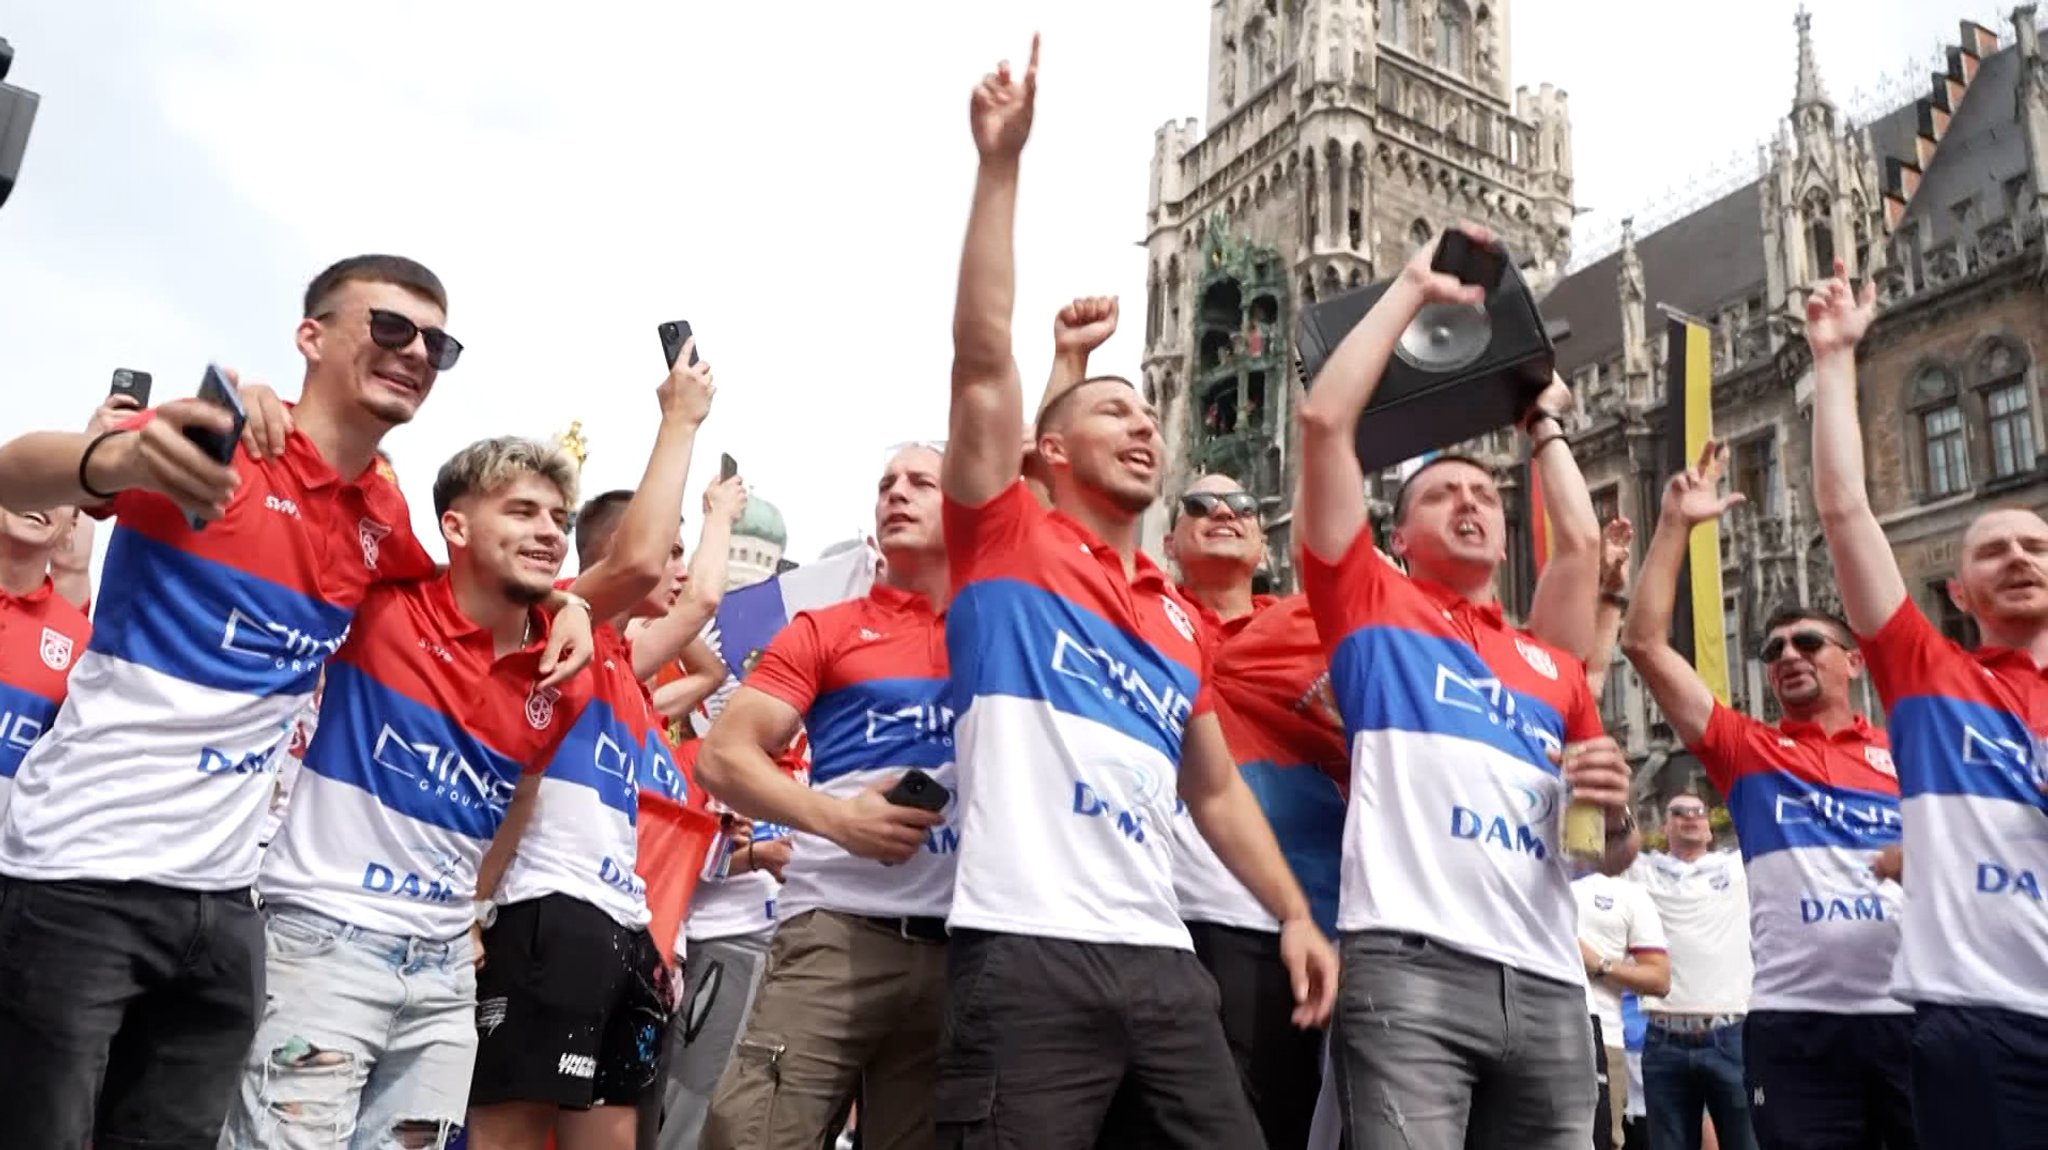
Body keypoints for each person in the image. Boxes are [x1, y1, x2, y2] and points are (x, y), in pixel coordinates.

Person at [0, 255, 589, 1147]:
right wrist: (113, 454)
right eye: (389, 327)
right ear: (311, 337)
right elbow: (17, 474)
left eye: (438, 342)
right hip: (81, 880)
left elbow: (459, 588)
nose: (416, 352)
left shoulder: (380, 513)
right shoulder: (222, 440)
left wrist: (562, 598)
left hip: (225, 912)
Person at [936, 36, 1336, 1147]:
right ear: (1049, 454)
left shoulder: (1169, 611)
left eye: (1147, 417)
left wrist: (1294, 912)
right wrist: (1000, 166)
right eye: (1114, 413)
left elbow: (1212, 794)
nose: (1146, 424)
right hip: (1022, 947)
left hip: (1163, 961)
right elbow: (979, 358)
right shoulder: (1003, 539)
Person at [1292, 222, 1638, 1150]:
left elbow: (1588, 850)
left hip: (1548, 981)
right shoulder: (1370, 604)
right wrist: (1408, 290)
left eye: (1486, 492)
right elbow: (1325, 425)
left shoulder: (1547, 666)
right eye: (1444, 494)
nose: (1474, 502)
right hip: (1409, 970)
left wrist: (1543, 425)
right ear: (1398, 537)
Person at [220, 436, 587, 1147]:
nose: (549, 530)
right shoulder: (382, 606)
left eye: (559, 518)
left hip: (446, 977)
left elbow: (518, 799)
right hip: (322, 946)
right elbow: (335, 483)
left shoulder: (557, 668)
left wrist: (475, 908)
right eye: (522, 511)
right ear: (454, 526)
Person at [1804, 258, 2047, 1146]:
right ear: (1962, 591)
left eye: (2034, 544)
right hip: (1980, 1022)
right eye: (1996, 551)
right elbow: (1845, 513)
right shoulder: (1932, 678)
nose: (2019, 557)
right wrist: (1834, 358)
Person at [466, 343, 730, 1149]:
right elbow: (646, 560)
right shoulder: (544, 625)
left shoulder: (613, 657)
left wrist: (721, 514)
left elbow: (701, 611)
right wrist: (679, 420)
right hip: (545, 912)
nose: (677, 570)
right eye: (671, 550)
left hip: (627, 927)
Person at [1621, 440, 1908, 1150]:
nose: (1786, 656)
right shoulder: (1748, 749)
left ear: (1853, 659)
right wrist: (1674, 527)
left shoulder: (1910, 752)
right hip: (1792, 1028)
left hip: (1912, 1014)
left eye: (1807, 642)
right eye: (1772, 649)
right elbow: (1645, 645)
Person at [695, 443, 956, 1150]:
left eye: (921, 482)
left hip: (963, 950)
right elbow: (723, 755)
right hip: (834, 933)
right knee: (751, 1138)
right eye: (885, 483)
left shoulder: (1001, 635)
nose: (895, 493)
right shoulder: (827, 627)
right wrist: (839, 821)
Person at [1162, 473, 1341, 1150]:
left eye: (1241, 507)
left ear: (1266, 547)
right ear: (1171, 541)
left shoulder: (1316, 626)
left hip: (1297, 924)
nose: (1221, 513)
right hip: (1165, 920)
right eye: (1199, 507)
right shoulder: (1145, 619)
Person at [1575, 866, 1670, 1150]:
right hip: (1519, 1024)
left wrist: (1599, 964)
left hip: (1604, 1037)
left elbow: (1659, 978)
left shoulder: (1627, 893)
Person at [0, 503, 90, 790]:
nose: (42, 499)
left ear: (71, 531)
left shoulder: (83, 643)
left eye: (61, 494)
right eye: (31, 482)